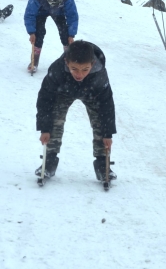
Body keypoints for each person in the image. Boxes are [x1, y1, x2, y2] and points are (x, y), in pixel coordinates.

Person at [35, 40, 116, 184]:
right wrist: (45, 129)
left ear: (92, 64)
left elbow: (106, 104)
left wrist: (107, 133)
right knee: (55, 118)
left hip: (92, 94)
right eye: (74, 69)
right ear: (66, 62)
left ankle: (103, 163)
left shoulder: (99, 74)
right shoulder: (57, 70)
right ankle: (50, 161)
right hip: (63, 92)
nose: (79, 74)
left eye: (85, 69)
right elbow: (45, 99)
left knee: (99, 121)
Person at [24, 0, 78, 72]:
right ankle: (34, 61)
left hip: (59, 12)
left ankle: (68, 60)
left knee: (65, 34)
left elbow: (72, 15)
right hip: (41, 12)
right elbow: (30, 14)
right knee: (38, 33)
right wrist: (31, 32)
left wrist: (71, 34)